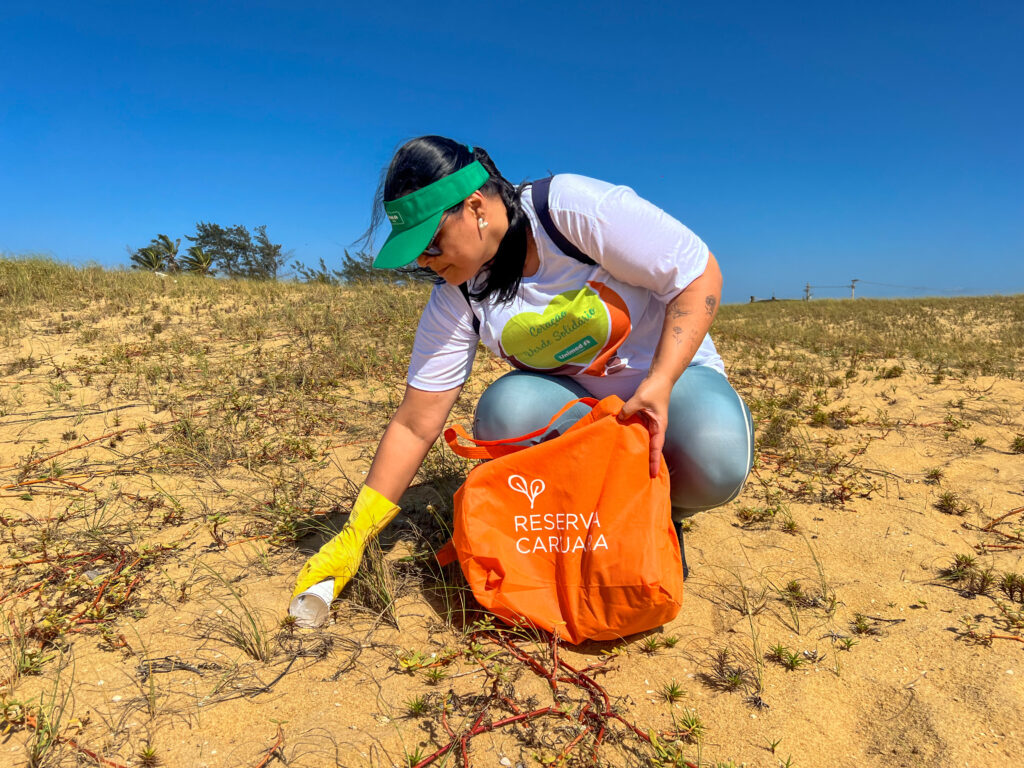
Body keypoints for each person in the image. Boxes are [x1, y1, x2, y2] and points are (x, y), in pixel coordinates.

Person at [290, 135, 754, 603]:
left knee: (716, 456)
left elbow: (698, 276)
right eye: (416, 254)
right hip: (578, 407)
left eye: (430, 244)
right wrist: (356, 535)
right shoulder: (457, 293)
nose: (425, 263)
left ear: (475, 207)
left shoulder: (569, 211)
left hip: (670, 381)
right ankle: (594, 519)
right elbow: (415, 424)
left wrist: (658, 384)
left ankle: (661, 511)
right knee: (505, 413)